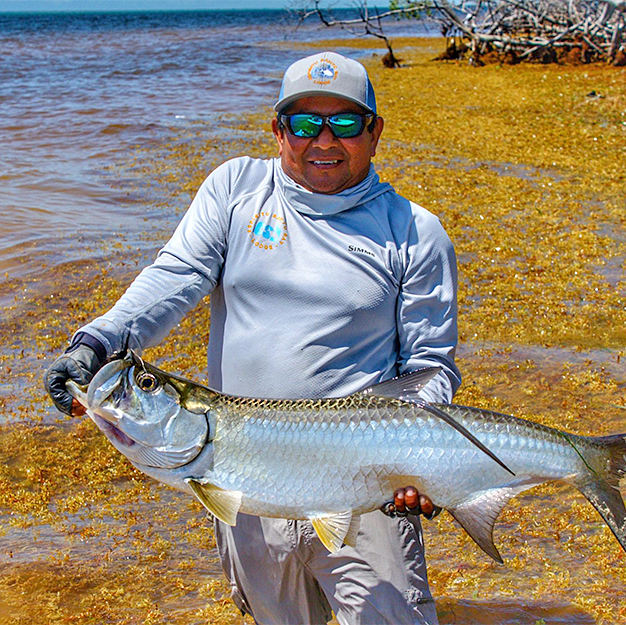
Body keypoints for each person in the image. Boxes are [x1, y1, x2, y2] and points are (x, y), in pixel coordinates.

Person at [45, 51, 461, 625]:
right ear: (277, 129)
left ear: (374, 132)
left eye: (343, 122)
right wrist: (97, 340)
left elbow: (431, 368)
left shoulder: (415, 233)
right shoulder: (234, 189)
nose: (323, 140)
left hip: (363, 481)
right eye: (303, 122)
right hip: (240, 475)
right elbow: (176, 277)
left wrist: (417, 461)